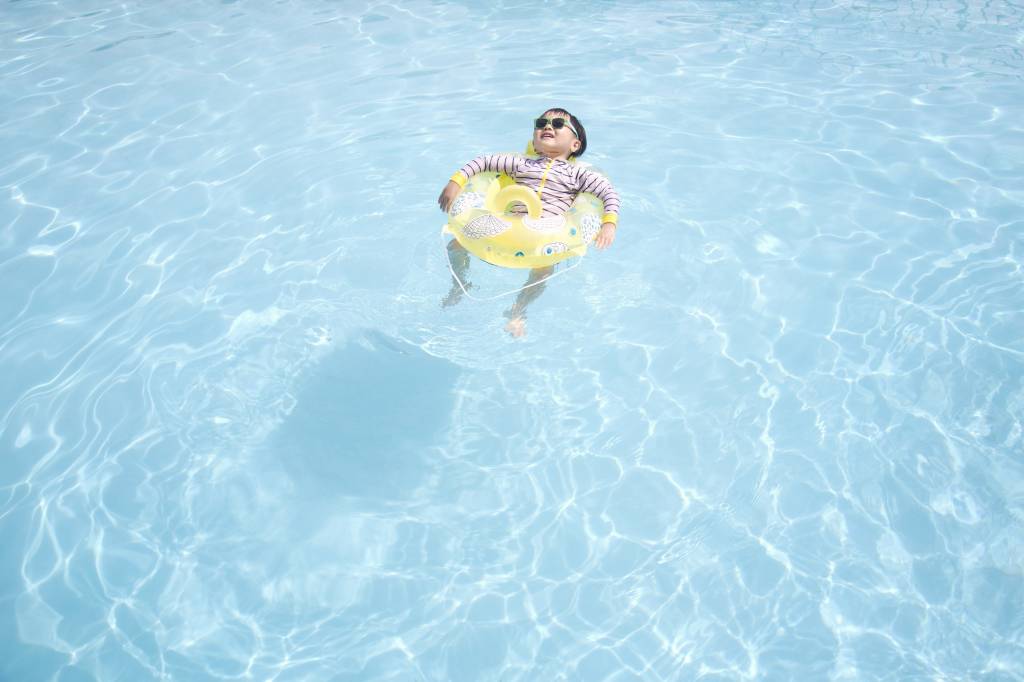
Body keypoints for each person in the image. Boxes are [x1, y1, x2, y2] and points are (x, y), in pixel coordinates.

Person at [438, 108, 621, 338]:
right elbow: (483, 162)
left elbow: (608, 194)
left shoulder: (578, 175)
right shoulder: (521, 164)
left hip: (545, 234)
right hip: (510, 224)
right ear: (534, 142)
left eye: (557, 124)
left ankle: (517, 312)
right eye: (541, 122)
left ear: (575, 144)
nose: (547, 126)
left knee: (544, 268)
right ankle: (460, 285)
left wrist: (609, 224)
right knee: (457, 243)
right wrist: (455, 182)